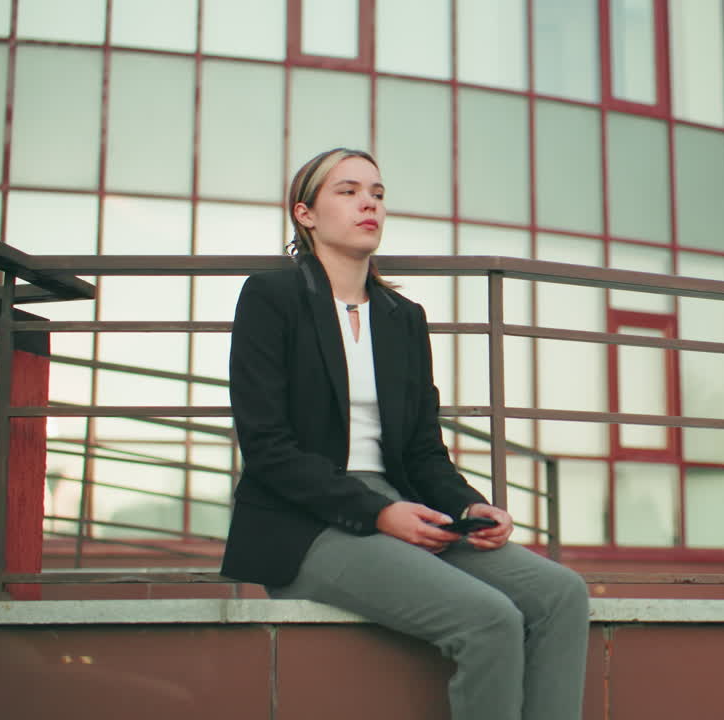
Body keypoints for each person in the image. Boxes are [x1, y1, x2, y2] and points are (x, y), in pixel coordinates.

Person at [220, 147, 589, 720]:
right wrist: (376, 514)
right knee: (489, 619)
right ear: (305, 214)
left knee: (561, 595)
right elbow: (268, 448)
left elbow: (421, 449)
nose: (368, 201)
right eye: (347, 191)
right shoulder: (272, 299)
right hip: (305, 526)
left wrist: (471, 505)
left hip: (402, 509)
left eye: (377, 193)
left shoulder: (402, 316)